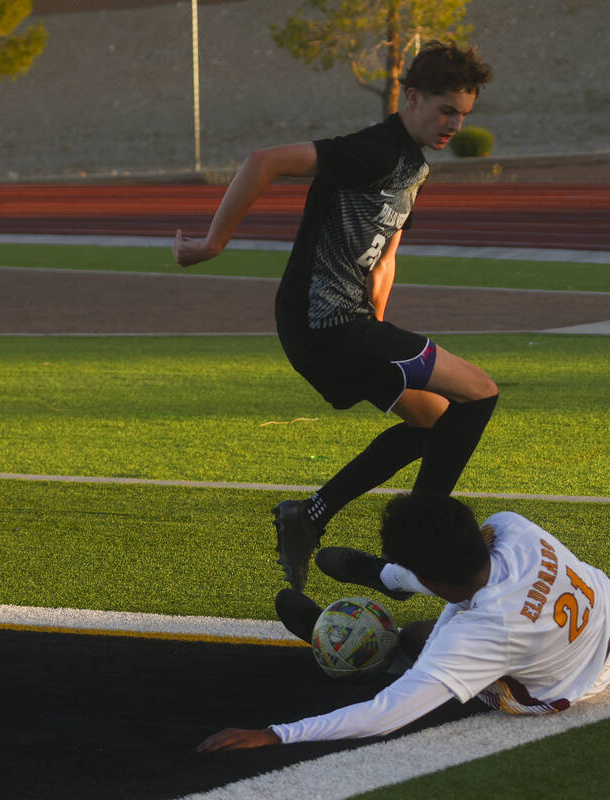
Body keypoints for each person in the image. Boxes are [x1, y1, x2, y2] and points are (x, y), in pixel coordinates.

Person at [173, 42, 499, 594]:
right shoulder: (374, 150)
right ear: (412, 97)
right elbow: (264, 161)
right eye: (446, 109)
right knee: (480, 393)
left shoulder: (414, 165)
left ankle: (311, 515)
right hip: (324, 324)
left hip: (352, 327)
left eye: (463, 114)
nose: (455, 123)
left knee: (433, 419)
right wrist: (212, 242)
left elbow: (385, 254)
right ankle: (424, 546)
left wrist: (380, 328)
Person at [196, 493, 610, 751]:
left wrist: (277, 734)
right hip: (605, 610)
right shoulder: (513, 528)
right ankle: (388, 578)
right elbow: (462, 580)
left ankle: (358, 647)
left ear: (433, 581)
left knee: (424, 643)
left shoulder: (482, 630)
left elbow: (385, 714)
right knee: (446, 628)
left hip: (568, 685)